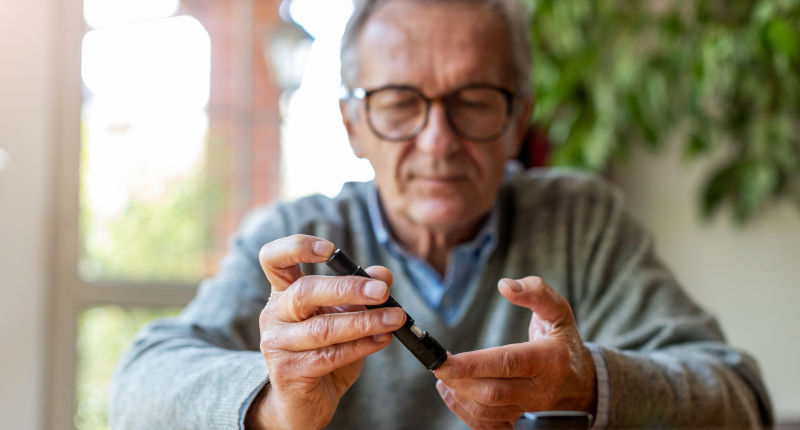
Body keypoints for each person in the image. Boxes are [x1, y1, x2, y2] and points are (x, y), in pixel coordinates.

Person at [109, 0, 773, 428]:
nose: (438, 140)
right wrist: (275, 403)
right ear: (353, 126)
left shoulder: (580, 221)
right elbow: (136, 390)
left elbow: (740, 400)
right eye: (400, 102)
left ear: (518, 122)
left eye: (474, 99)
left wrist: (585, 384)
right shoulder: (299, 245)